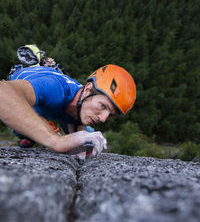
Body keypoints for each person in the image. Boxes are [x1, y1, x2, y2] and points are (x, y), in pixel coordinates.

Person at [0, 63, 136, 157]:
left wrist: (77, 141)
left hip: (58, 104)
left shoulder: (84, 106)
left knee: (89, 135)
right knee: (22, 127)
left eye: (110, 115)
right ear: (87, 89)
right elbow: (3, 92)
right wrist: (56, 141)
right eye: (103, 106)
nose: (103, 118)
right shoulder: (56, 89)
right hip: (38, 89)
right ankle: (27, 135)